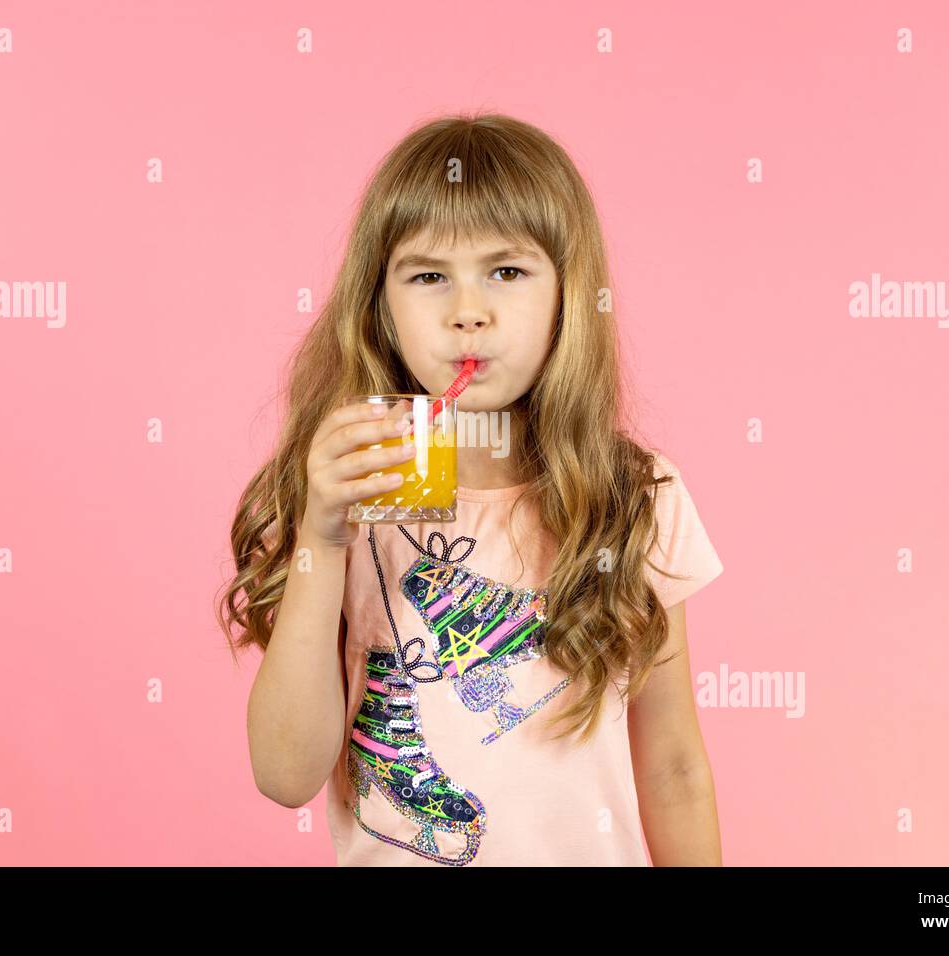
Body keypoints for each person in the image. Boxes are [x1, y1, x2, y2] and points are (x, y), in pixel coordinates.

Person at [218, 112, 725, 866]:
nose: (467, 312)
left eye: (508, 271)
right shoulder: (342, 502)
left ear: (566, 295)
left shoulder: (635, 499)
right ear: (380, 309)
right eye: (428, 276)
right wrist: (320, 539)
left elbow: (675, 767)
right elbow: (285, 775)